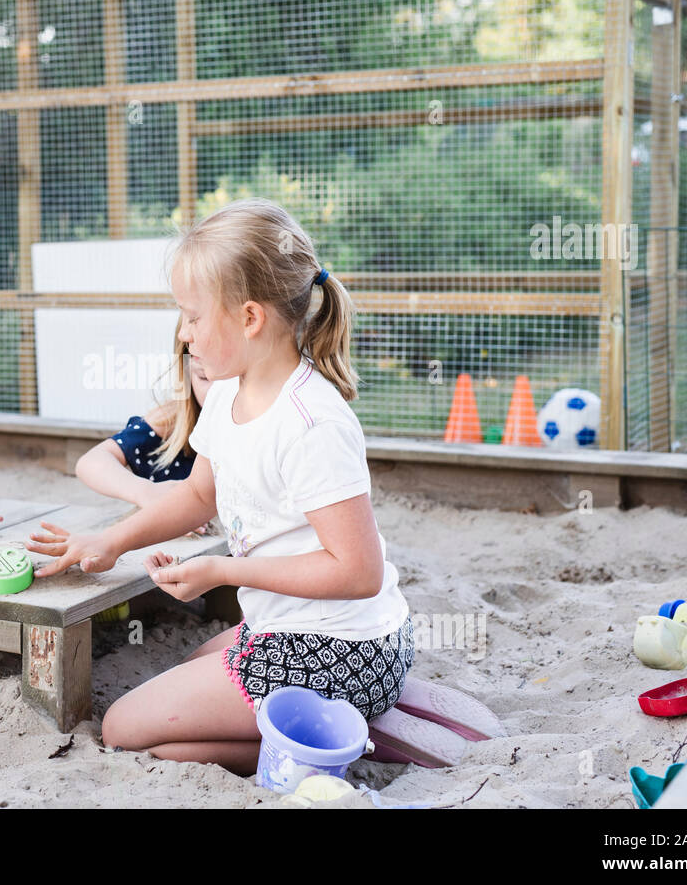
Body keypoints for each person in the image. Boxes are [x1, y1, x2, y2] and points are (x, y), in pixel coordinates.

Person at [27, 198, 412, 775]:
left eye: (193, 316)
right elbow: (197, 496)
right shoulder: (230, 391)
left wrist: (224, 571)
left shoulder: (312, 422)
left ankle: (324, 745)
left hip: (347, 651)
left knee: (121, 729)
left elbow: (358, 573)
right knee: (189, 669)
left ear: (250, 318)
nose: (184, 335)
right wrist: (110, 543)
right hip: (282, 628)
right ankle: (305, 735)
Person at [74, 326, 213, 532]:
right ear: (186, 372)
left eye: (234, 381)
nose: (218, 394)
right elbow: (91, 462)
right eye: (204, 378)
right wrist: (146, 492)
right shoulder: (172, 420)